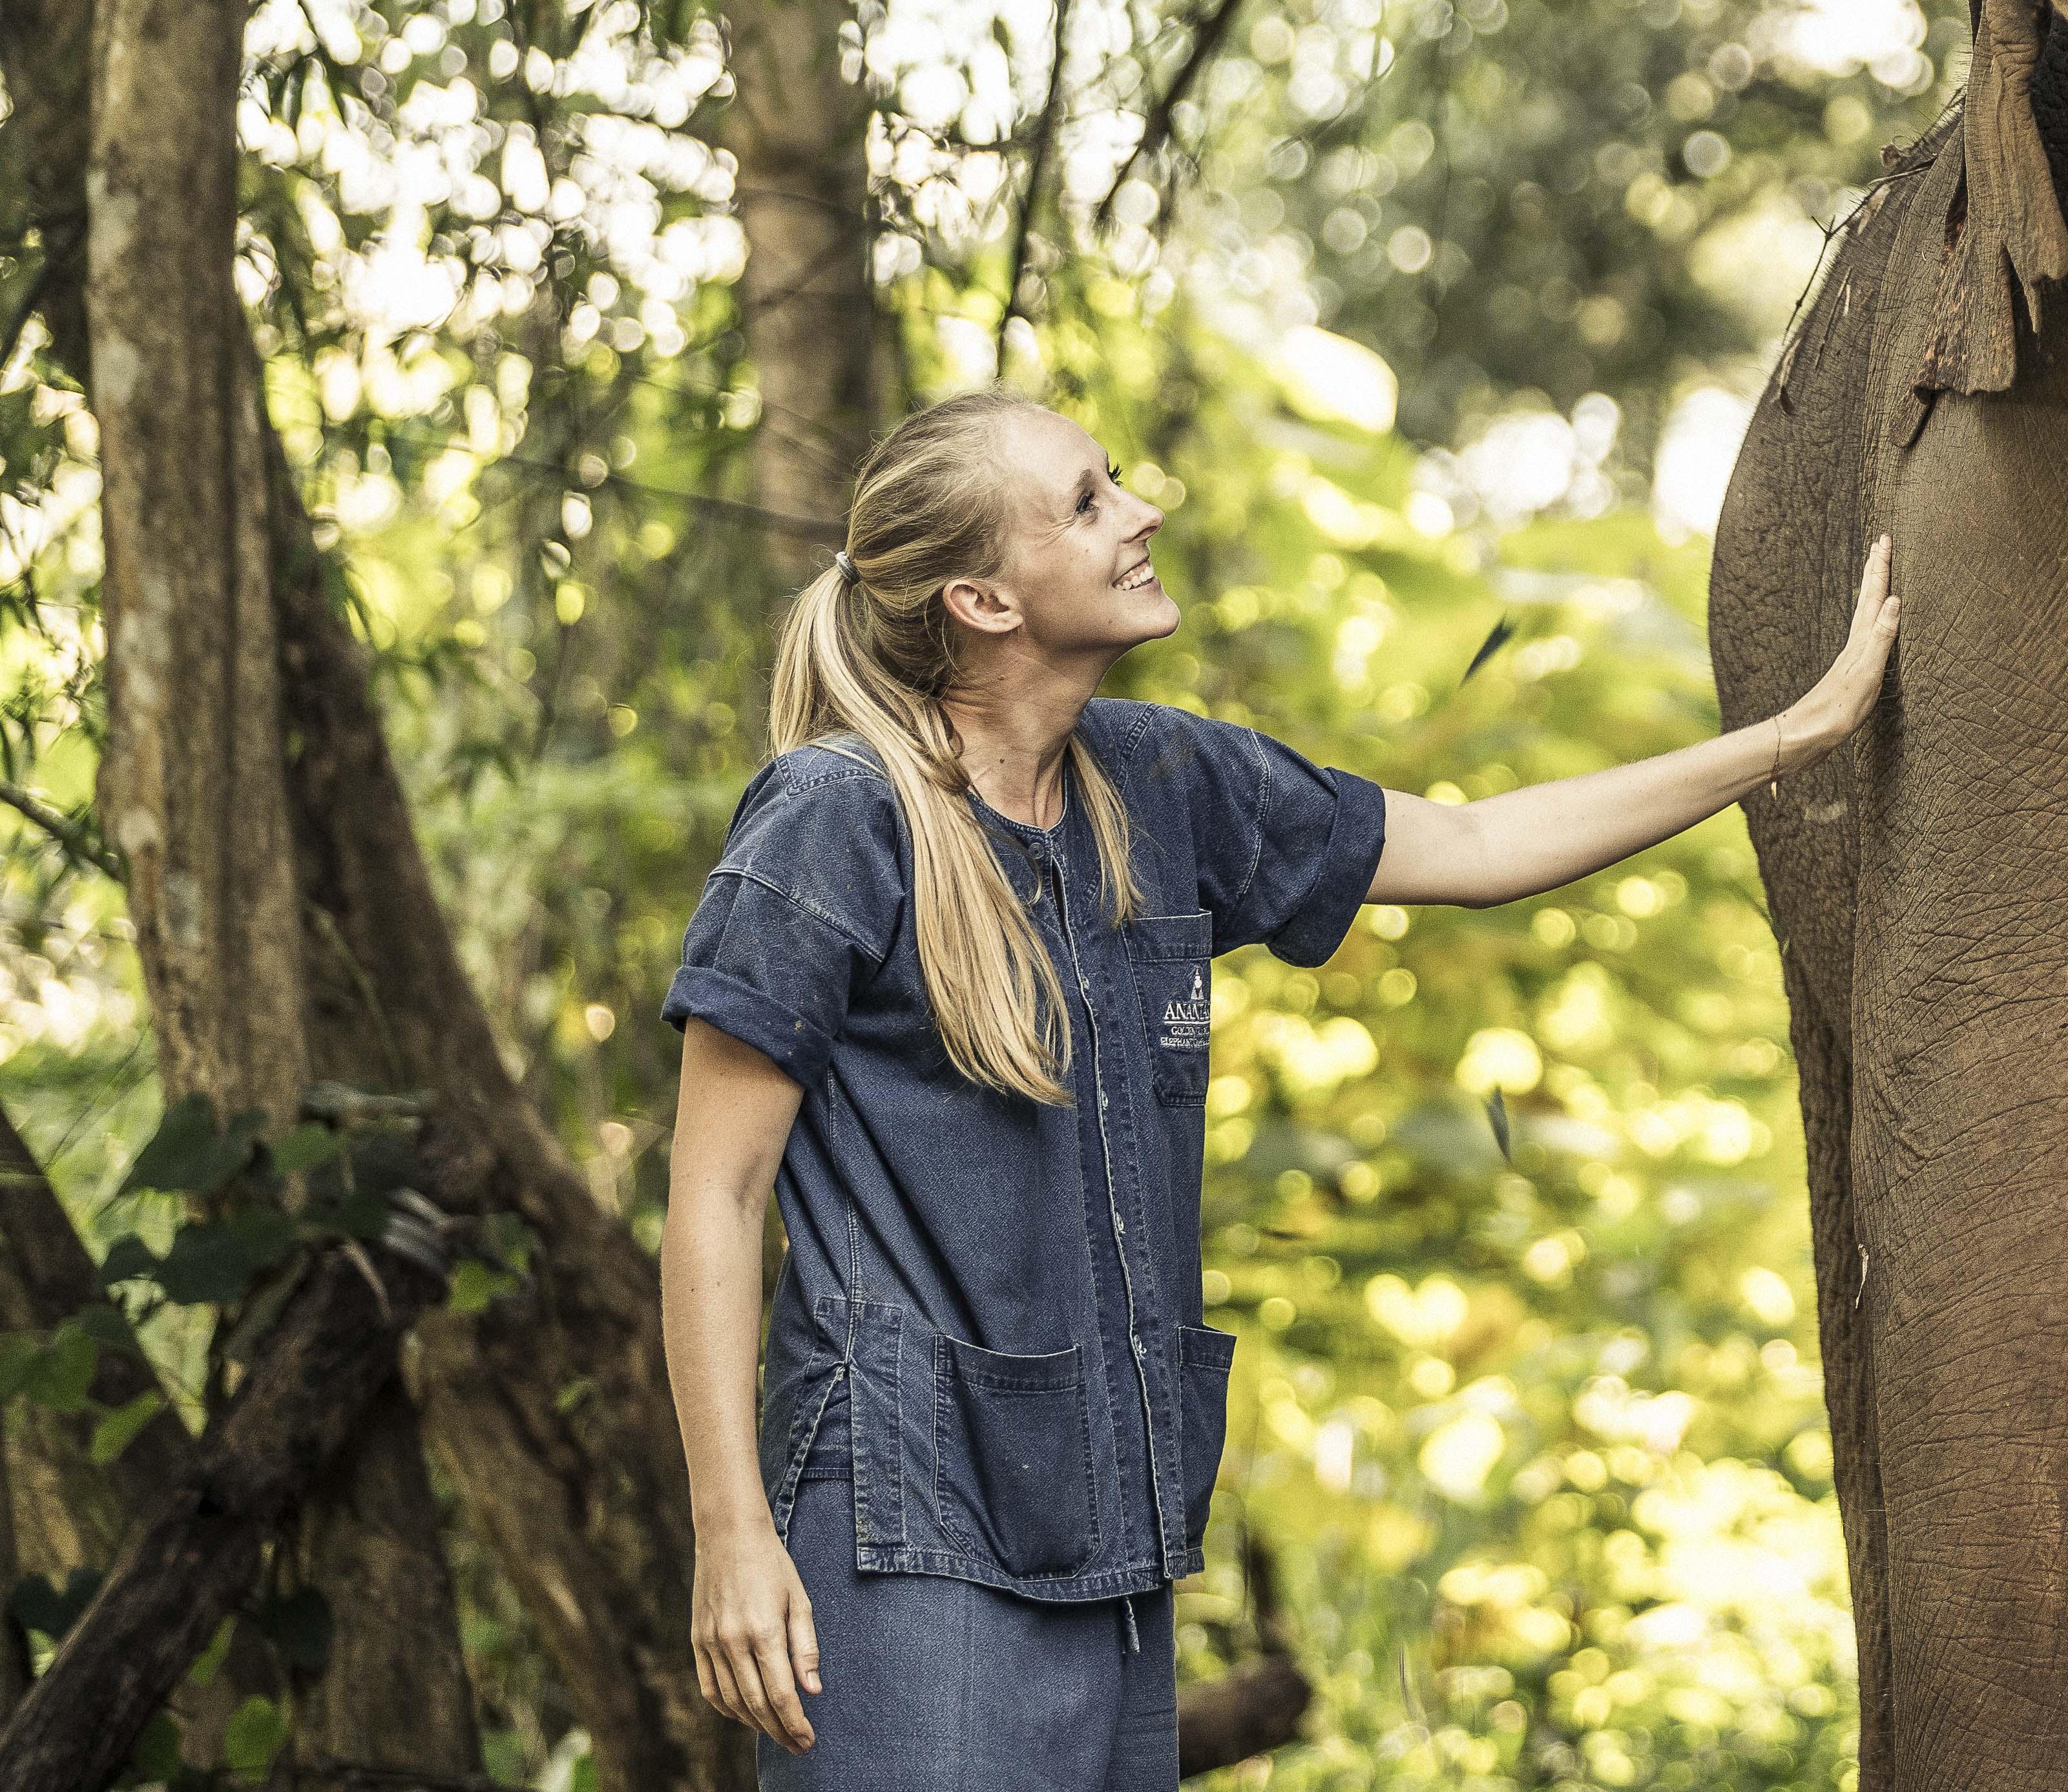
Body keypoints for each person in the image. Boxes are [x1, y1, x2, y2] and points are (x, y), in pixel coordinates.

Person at [660, 391, 1897, 1785]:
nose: (1142, 513)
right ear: (983, 598)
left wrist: (1798, 733)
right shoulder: (835, 817)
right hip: (896, 1534)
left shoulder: (1166, 781)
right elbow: (717, 1186)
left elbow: (1479, 842)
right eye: (1087, 501)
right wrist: (733, 1531)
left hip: (1113, 1539)